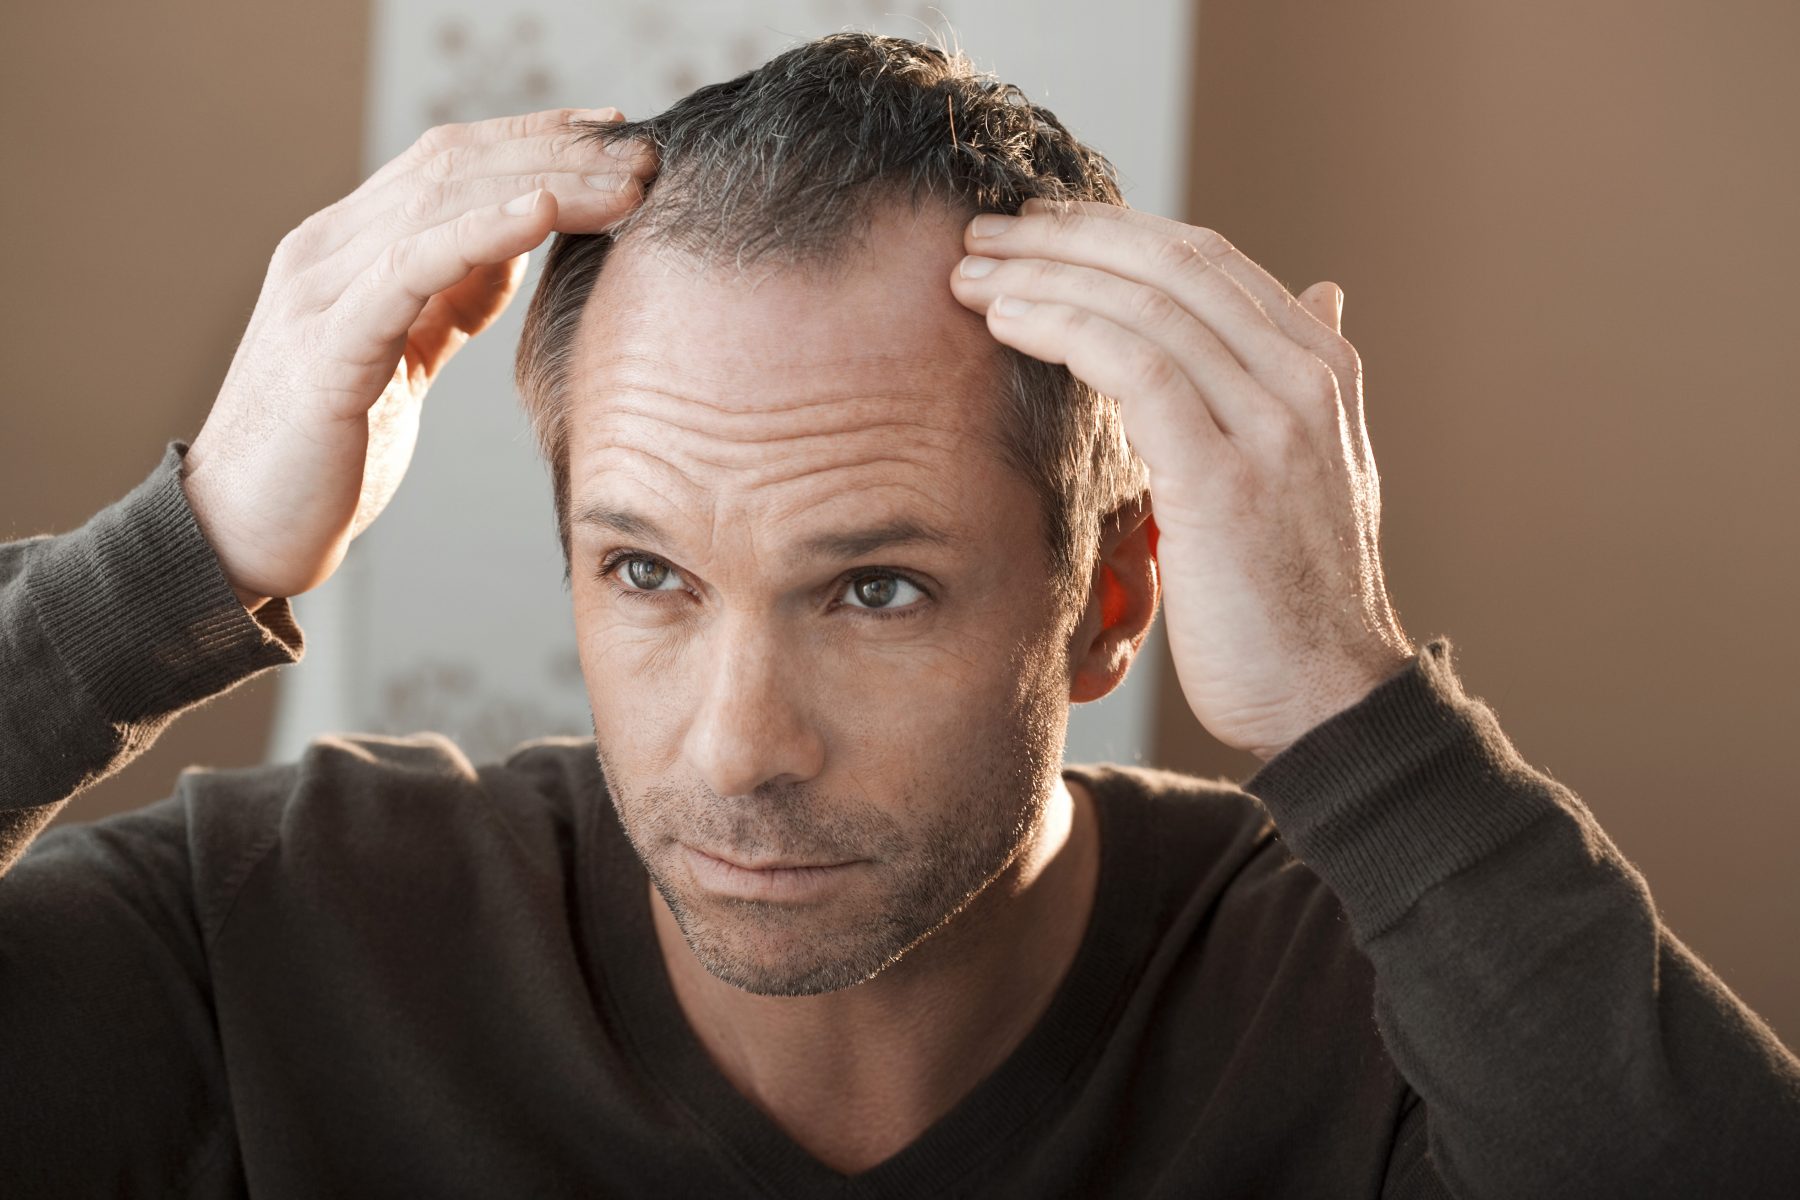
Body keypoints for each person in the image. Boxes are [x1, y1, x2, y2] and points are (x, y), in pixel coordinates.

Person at [1, 31, 1794, 1198]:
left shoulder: (1380, 1011)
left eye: (875, 588)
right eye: (647, 575)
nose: (736, 748)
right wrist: (176, 563)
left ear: (1107, 602)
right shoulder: (279, 941)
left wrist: (1351, 703)